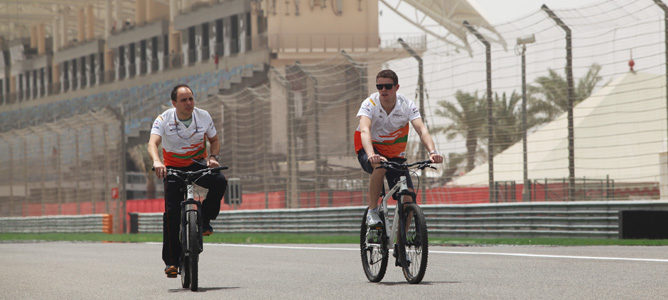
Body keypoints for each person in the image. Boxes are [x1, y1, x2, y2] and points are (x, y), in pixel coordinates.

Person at [147, 84, 228, 278]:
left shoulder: (204, 116)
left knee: (220, 181)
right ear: (174, 103)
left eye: (191, 99)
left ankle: (205, 220)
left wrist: (213, 156)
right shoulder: (163, 119)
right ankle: (172, 262)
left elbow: (214, 140)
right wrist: (157, 161)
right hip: (173, 168)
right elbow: (153, 143)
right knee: (172, 214)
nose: (189, 103)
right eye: (183, 100)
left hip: (198, 164)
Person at [354, 69, 443, 227]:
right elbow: (365, 130)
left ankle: (401, 245)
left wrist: (433, 152)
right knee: (380, 167)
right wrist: (371, 154)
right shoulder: (370, 103)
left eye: (388, 86)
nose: (383, 90)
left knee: (408, 199)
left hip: (395, 154)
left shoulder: (407, 105)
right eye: (379, 86)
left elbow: (422, 130)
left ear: (397, 87)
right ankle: (372, 211)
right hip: (369, 148)